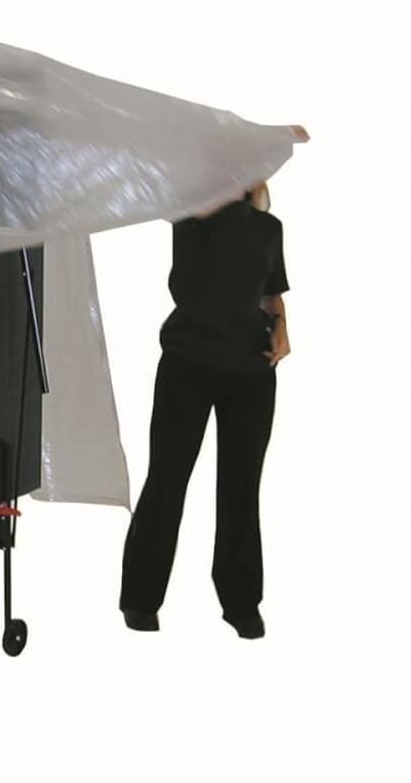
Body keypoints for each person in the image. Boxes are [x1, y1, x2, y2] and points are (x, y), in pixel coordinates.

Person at [119, 178, 293, 639]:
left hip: (252, 372)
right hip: (188, 364)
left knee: (242, 487)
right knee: (167, 480)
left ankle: (241, 602)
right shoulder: (192, 210)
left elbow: (270, 295)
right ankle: (141, 598)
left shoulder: (269, 228)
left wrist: (281, 327)